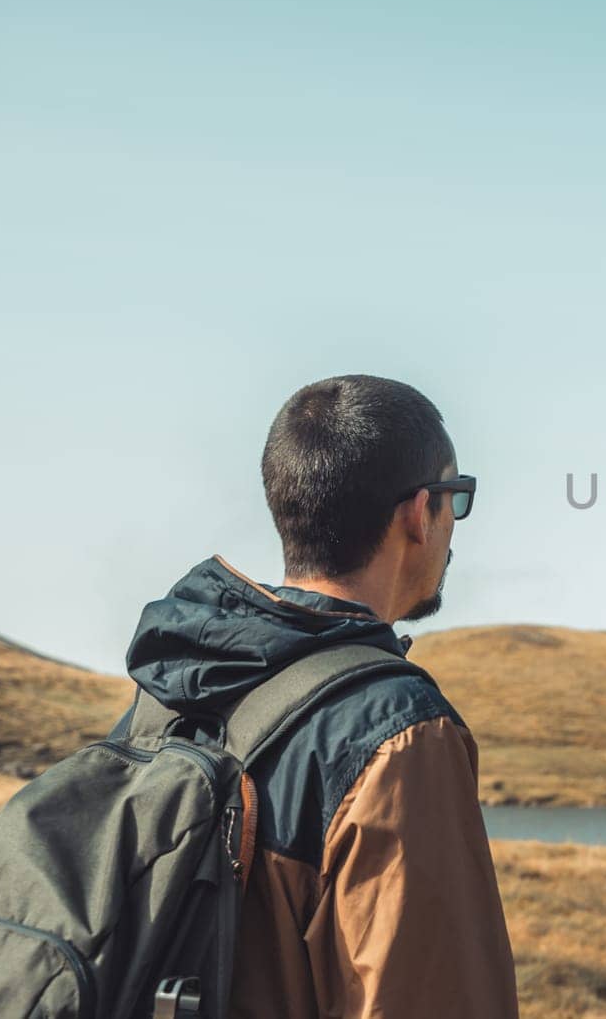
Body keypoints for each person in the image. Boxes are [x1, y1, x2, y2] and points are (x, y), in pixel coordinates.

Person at [107, 374, 519, 1018]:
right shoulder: (398, 732)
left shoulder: (170, 694)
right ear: (419, 512)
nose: (453, 525)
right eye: (455, 498)